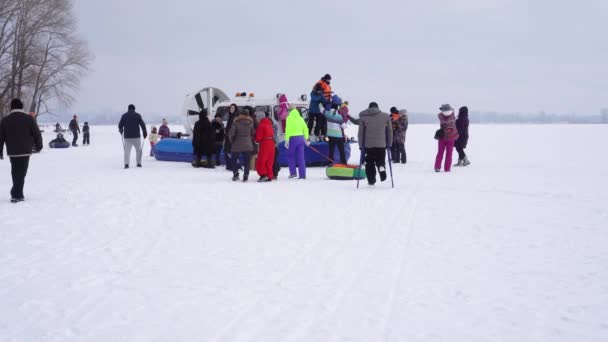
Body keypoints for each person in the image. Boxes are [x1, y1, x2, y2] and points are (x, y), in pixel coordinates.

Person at [0, 98, 43, 203]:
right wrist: (39, 146)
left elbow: (0, 137)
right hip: (25, 150)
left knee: (16, 172)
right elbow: (36, 133)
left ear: (11, 107)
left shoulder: (5, 120)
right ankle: (16, 195)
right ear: (21, 107)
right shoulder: (29, 119)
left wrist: (0, 151)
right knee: (21, 172)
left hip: (12, 152)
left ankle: (17, 193)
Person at [358, 102, 392, 186]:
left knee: (369, 162)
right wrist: (389, 143)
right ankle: (381, 167)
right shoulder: (386, 116)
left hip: (368, 145)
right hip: (381, 144)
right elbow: (390, 131)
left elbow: (361, 133)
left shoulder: (363, 117)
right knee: (380, 160)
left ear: (368, 108)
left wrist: (361, 145)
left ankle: (371, 180)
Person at [228, 108, 255, 182]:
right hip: (248, 144)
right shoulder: (251, 123)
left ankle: (235, 174)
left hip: (236, 144)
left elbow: (231, 134)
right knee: (247, 161)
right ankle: (245, 176)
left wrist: (232, 141)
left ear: (240, 114)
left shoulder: (236, 122)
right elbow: (253, 133)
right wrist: (249, 139)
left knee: (234, 159)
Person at [118, 104, 147, 168]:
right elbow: (142, 124)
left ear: (128, 109)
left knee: (127, 151)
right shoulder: (137, 115)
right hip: (136, 136)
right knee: (138, 150)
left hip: (127, 137)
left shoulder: (124, 116)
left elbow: (120, 125)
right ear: (134, 109)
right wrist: (144, 132)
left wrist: (121, 131)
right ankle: (138, 163)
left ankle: (126, 164)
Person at [285, 106, 310, 179]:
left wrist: (286, 140)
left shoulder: (289, 118)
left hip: (293, 138)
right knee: (301, 157)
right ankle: (302, 175)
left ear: (290, 110)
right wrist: (307, 138)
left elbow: (288, 129)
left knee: (291, 156)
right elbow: (305, 128)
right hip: (301, 138)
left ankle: (293, 173)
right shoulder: (301, 118)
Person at [434, 104, 459, 172]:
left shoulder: (441, 117)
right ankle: (447, 168)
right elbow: (454, 111)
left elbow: (441, 113)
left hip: (442, 137)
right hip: (451, 138)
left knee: (440, 153)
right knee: (449, 154)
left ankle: (437, 167)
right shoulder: (453, 116)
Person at [324, 95, 347, 164]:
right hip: (338, 136)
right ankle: (343, 163)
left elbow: (321, 109)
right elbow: (344, 126)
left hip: (330, 136)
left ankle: (330, 163)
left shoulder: (327, 114)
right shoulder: (339, 116)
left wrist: (321, 104)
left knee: (331, 151)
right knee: (341, 151)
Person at [308, 74, 331, 139]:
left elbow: (323, 101)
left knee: (314, 122)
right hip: (315, 111)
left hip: (312, 110)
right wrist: (325, 100)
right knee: (315, 122)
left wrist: (327, 102)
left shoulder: (313, 93)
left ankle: (312, 133)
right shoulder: (317, 95)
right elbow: (317, 99)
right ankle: (314, 133)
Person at [255, 112, 276, 182]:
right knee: (270, 160)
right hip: (271, 143)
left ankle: (263, 175)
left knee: (262, 159)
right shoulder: (270, 124)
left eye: (257, 117)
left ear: (259, 118)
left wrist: (255, 139)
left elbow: (258, 137)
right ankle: (270, 175)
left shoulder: (261, 125)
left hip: (265, 144)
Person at [223, 103, 238, 171]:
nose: (231, 109)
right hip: (228, 136)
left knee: (230, 152)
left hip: (232, 137)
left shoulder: (235, 117)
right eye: (231, 108)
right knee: (227, 151)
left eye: (233, 108)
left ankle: (232, 166)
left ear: (235, 109)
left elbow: (234, 127)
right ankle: (229, 166)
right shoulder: (231, 116)